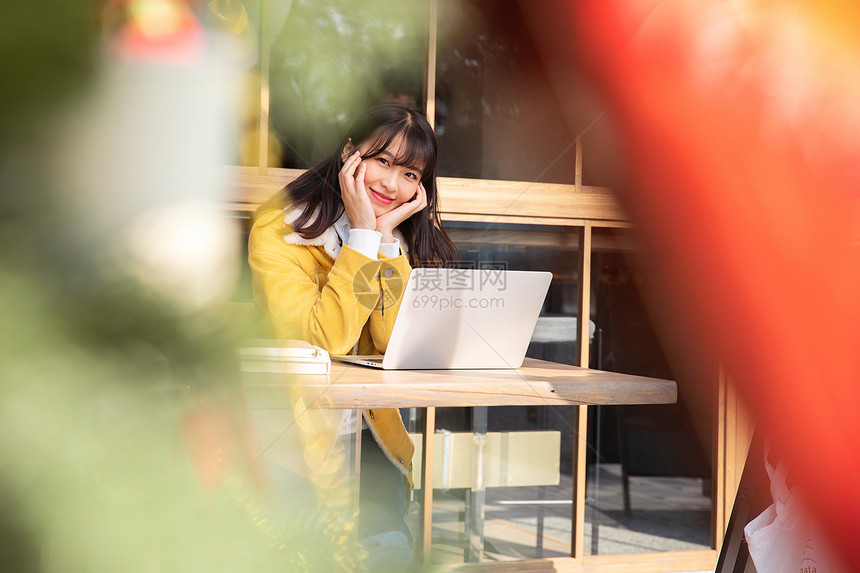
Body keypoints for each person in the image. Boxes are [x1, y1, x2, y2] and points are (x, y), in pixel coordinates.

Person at [247, 102, 458, 566]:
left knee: (387, 552)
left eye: (410, 174)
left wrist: (383, 240)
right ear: (349, 153)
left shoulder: (395, 239)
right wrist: (363, 236)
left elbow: (391, 340)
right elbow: (327, 337)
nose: (391, 183)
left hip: (373, 444)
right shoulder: (280, 230)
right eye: (382, 161)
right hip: (293, 446)